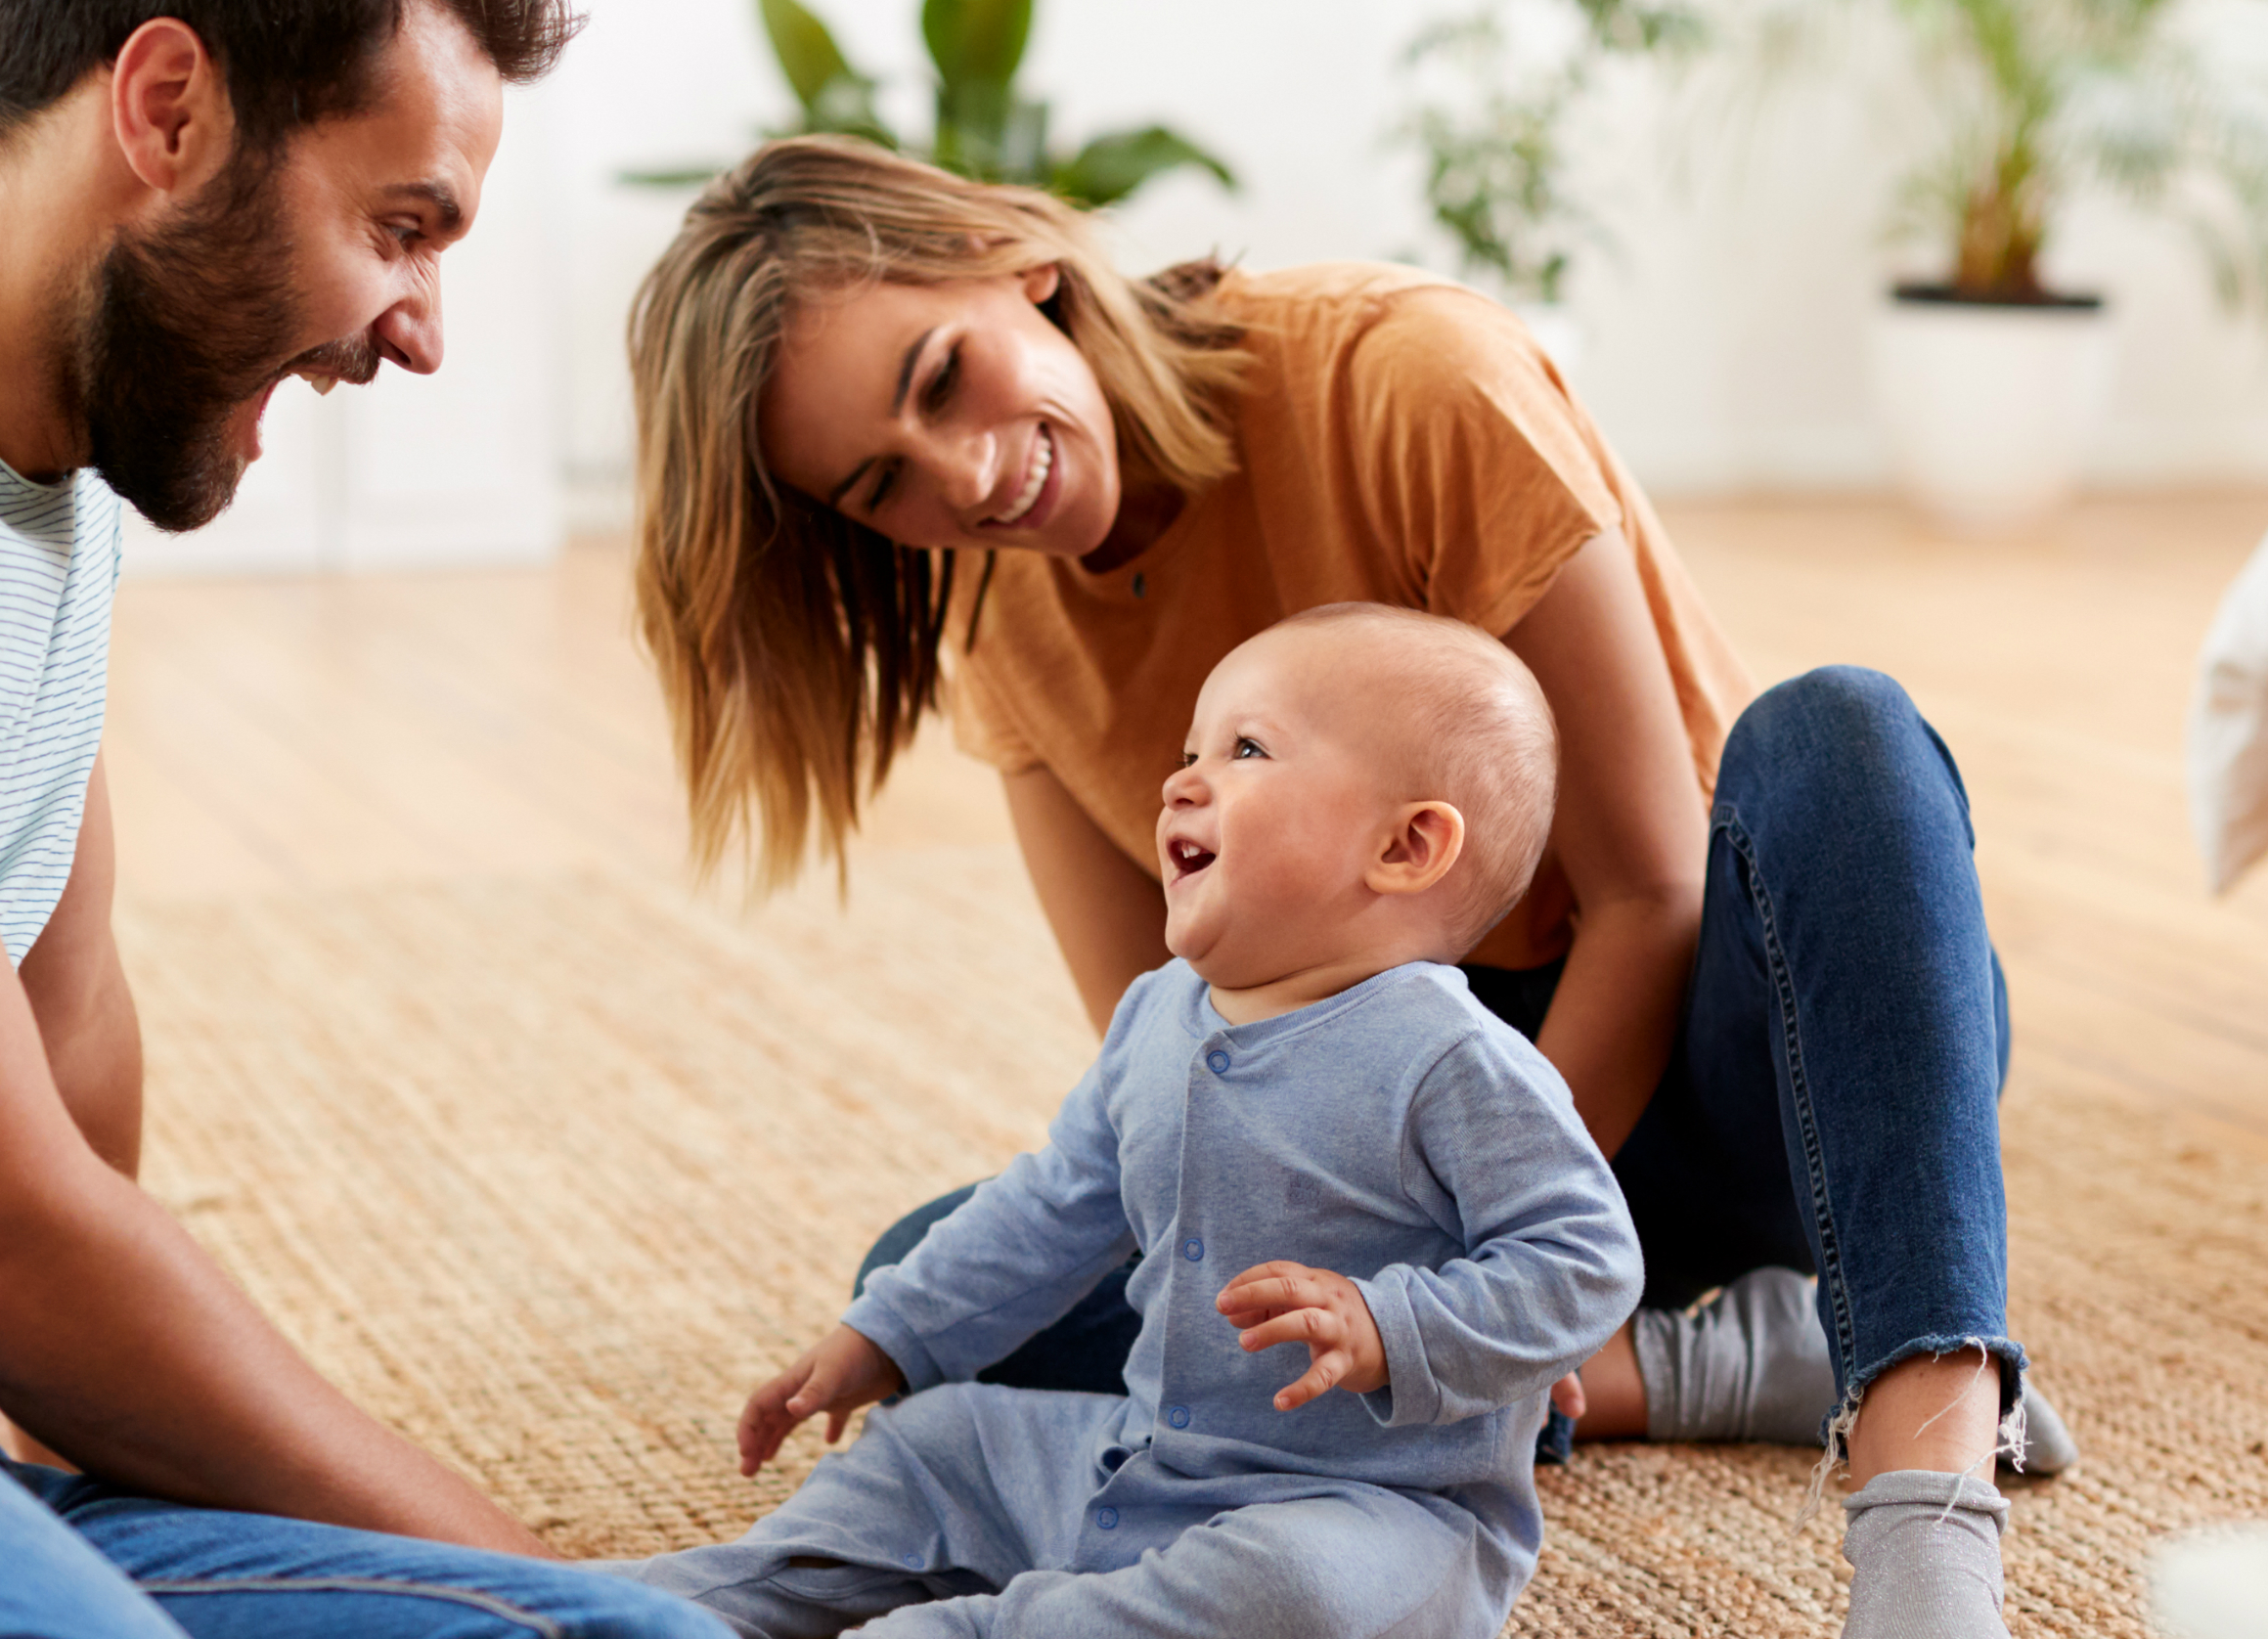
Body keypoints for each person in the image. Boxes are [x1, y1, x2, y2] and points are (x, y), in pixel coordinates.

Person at [628, 137, 2077, 1637]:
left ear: (1023, 268)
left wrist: (1454, 1279)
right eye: (885, 486)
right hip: (1405, 1198)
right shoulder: (1004, 625)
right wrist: (1414, 1317)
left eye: (942, 381)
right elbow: (1170, 1063)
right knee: (938, 1294)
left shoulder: (1407, 377)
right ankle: (1675, 1363)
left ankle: (1922, 1480)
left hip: (1747, 1057)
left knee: (1842, 732)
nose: (971, 478)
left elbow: (1650, 892)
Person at [0, 0, 714, 1634]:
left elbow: (66, 1042)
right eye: (401, 226)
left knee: (637, 1634)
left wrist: (82, 1453)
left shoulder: (27, 471)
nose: (417, 329)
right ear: (168, 110)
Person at [615, 606, 1643, 1638]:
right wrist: (889, 1330)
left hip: (1376, 1512)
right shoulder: (1158, 1013)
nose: (1180, 781)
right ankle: (717, 1599)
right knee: (934, 1440)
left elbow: (1587, 1258)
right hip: (1143, 1453)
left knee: (1297, 1595)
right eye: (1190, 750)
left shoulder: (1449, 1057)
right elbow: (1051, 1207)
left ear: (1406, 845)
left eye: (1245, 750)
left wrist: (1392, 1326)